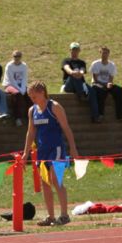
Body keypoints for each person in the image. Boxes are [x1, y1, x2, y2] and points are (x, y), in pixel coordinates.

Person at [22, 80, 79, 227]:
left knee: (56, 180)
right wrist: (25, 153)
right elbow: (31, 132)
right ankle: (51, 216)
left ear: (42, 93)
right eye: (30, 96)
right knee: (45, 183)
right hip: (42, 151)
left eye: (34, 96)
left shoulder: (54, 107)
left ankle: (64, 215)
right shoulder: (32, 111)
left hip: (57, 149)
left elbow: (66, 128)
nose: (32, 99)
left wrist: (73, 148)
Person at [88, 46, 122, 122]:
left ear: (108, 54)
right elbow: (95, 79)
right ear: (100, 53)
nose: (104, 55)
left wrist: (109, 83)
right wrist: (105, 85)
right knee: (101, 92)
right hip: (97, 84)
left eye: (106, 53)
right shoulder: (96, 64)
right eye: (103, 53)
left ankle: (121, 114)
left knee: (120, 91)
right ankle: (100, 114)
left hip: (106, 84)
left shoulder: (112, 65)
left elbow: (111, 79)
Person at [2, 50, 30, 126]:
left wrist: (23, 89)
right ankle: (17, 118)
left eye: (18, 56)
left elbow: (24, 79)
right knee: (17, 94)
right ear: (12, 56)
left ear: (21, 57)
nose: (16, 58)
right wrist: (20, 90)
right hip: (9, 85)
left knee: (30, 94)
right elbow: (12, 80)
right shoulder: (9, 66)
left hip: (21, 85)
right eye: (15, 56)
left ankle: (30, 116)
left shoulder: (24, 65)